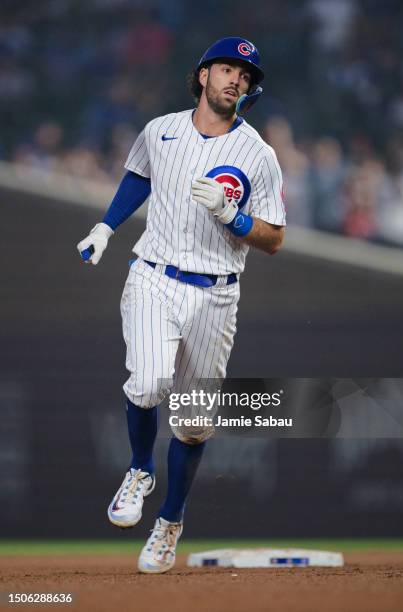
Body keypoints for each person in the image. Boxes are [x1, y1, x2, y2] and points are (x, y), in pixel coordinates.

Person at [77, 37, 286, 574]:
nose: (234, 79)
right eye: (225, 68)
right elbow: (138, 176)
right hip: (154, 277)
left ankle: (170, 522)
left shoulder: (258, 155)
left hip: (217, 291)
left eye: (244, 74)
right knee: (147, 383)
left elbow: (275, 238)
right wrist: (105, 227)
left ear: (249, 88)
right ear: (202, 76)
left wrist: (235, 218)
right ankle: (141, 469)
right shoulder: (160, 129)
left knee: (193, 424)